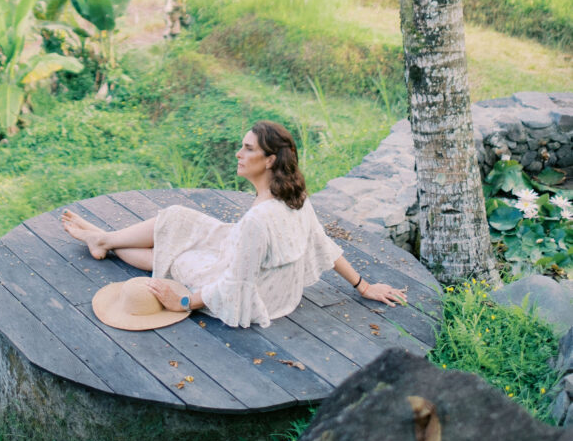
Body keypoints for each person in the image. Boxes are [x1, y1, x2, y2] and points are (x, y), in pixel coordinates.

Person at [62, 120, 407, 328]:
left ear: (269, 159)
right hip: (261, 272)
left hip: (259, 295)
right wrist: (363, 286)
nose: (238, 154)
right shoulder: (295, 197)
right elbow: (322, 244)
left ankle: (104, 242)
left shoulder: (260, 219)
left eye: (247, 149)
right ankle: (104, 239)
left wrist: (182, 303)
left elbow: (234, 285)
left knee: (177, 258)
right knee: (179, 218)